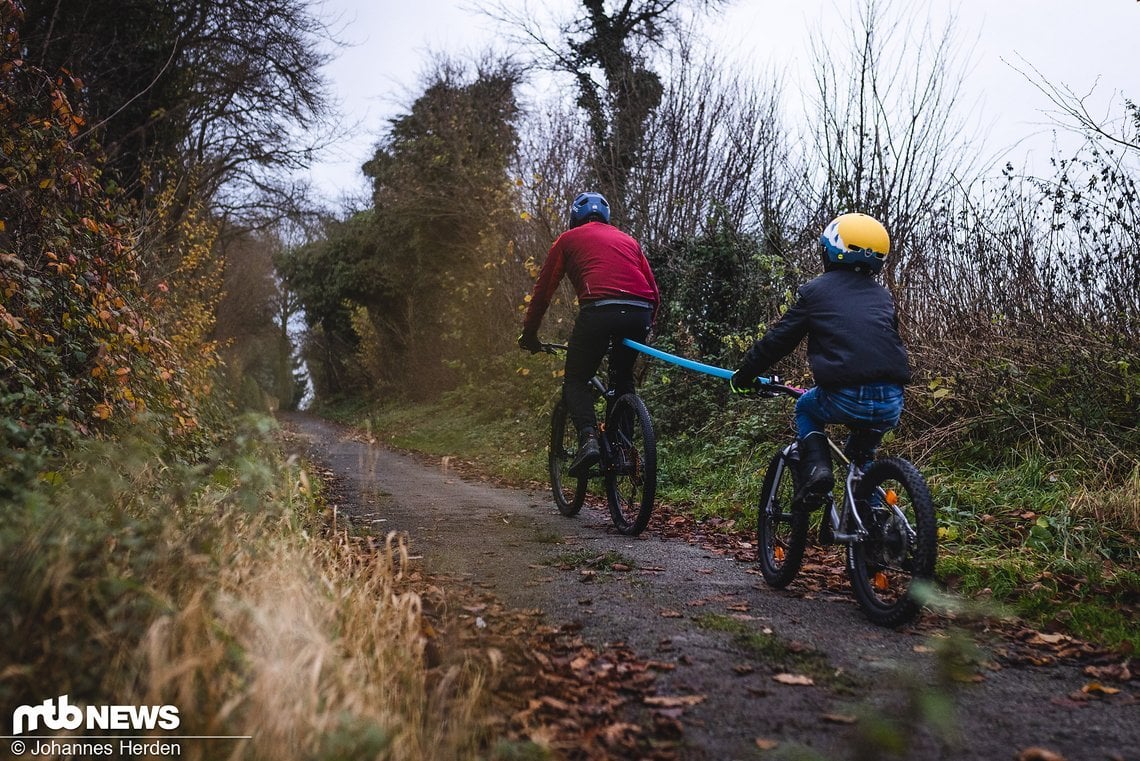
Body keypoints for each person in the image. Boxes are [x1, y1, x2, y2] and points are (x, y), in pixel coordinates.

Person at [730, 212, 911, 505]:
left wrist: (745, 375)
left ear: (830, 250)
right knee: (863, 460)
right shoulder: (882, 296)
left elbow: (779, 340)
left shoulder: (815, 292)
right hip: (892, 400)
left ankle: (818, 473)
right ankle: (875, 533)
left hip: (845, 396)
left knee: (806, 408)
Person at [519, 192, 660, 475]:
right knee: (623, 381)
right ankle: (624, 451)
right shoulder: (628, 240)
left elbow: (543, 292)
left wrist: (529, 334)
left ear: (575, 218)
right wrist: (645, 325)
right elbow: (654, 292)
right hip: (639, 311)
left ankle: (589, 440)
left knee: (575, 378)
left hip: (599, 310)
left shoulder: (567, 240)